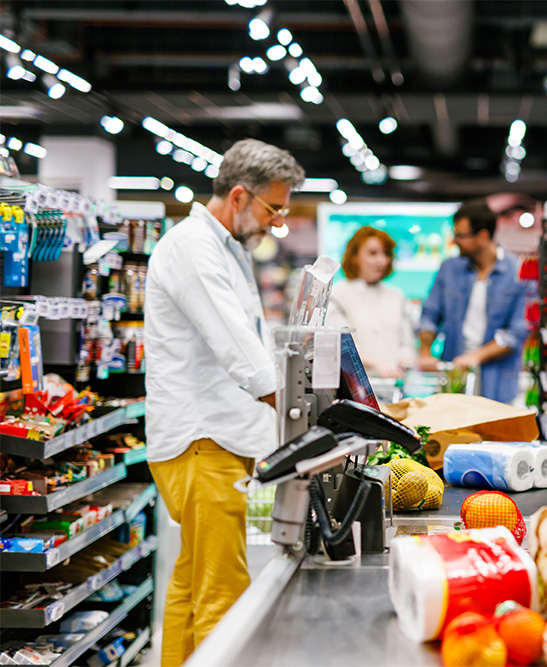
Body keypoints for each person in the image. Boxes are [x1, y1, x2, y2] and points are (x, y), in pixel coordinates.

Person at [144, 138, 304, 667]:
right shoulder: (193, 246)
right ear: (239, 196)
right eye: (273, 208)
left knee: (192, 583)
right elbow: (238, 348)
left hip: (214, 436)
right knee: (223, 592)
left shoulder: (225, 247)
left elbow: (250, 341)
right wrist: (302, 416)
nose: (277, 223)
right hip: (200, 439)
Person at [417, 199, 529, 404]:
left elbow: (517, 332)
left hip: (497, 383)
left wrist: (474, 357)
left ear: (483, 236)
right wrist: (425, 352)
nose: (454, 240)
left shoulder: (517, 272)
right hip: (453, 378)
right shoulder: (449, 268)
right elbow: (430, 313)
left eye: (460, 235)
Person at [326, 225, 416, 377]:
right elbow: (339, 346)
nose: (381, 260)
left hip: (394, 383)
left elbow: (406, 342)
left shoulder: (396, 295)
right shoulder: (337, 294)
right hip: (356, 385)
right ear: (354, 257)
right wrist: (378, 365)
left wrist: (405, 360)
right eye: (372, 253)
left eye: (386, 254)